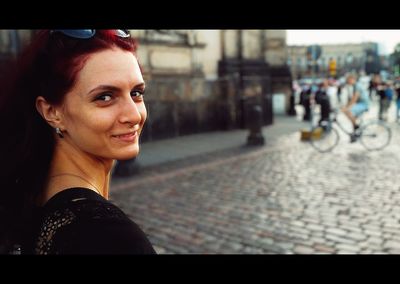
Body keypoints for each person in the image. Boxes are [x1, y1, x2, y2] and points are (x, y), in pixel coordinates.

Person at [0, 30, 156, 254]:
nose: (133, 115)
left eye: (136, 93)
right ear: (52, 112)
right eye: (105, 97)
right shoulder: (111, 238)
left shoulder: (32, 201)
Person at [341, 74, 370, 142]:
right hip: (360, 104)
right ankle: (356, 131)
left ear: (352, 79)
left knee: (348, 111)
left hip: (363, 104)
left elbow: (354, 98)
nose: (348, 82)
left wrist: (346, 107)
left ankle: (356, 127)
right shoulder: (354, 86)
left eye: (349, 80)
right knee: (352, 117)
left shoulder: (357, 85)